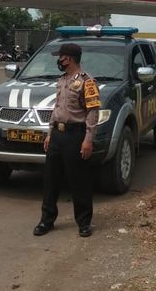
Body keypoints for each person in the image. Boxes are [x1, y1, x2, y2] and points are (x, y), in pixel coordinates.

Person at [33, 43, 101, 238]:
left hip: (75, 136)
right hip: (58, 136)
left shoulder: (87, 82)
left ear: (69, 59)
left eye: (61, 57)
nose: (59, 61)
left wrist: (88, 140)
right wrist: (49, 133)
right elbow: (57, 109)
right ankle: (46, 220)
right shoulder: (62, 80)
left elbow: (92, 112)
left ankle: (84, 223)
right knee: (51, 180)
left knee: (79, 181)